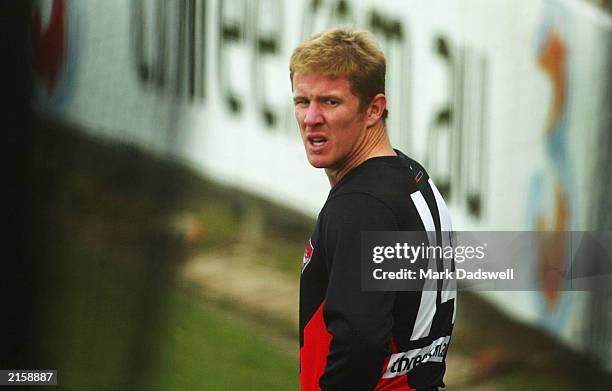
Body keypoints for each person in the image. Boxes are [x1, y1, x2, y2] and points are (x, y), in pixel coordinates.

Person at [290, 27, 456, 391]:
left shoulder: (360, 208)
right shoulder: (411, 176)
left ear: (374, 109)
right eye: (302, 101)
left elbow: (361, 340)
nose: (310, 118)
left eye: (330, 102)